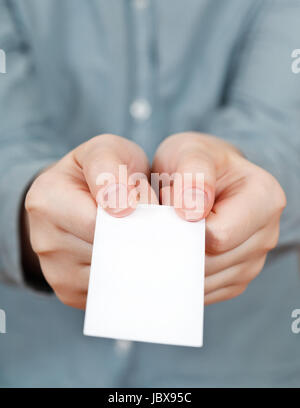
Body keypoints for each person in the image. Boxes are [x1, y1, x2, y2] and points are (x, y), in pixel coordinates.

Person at [0, 0, 299, 387]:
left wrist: (238, 173)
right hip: (35, 363)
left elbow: (282, 129)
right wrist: (29, 218)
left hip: (247, 365)